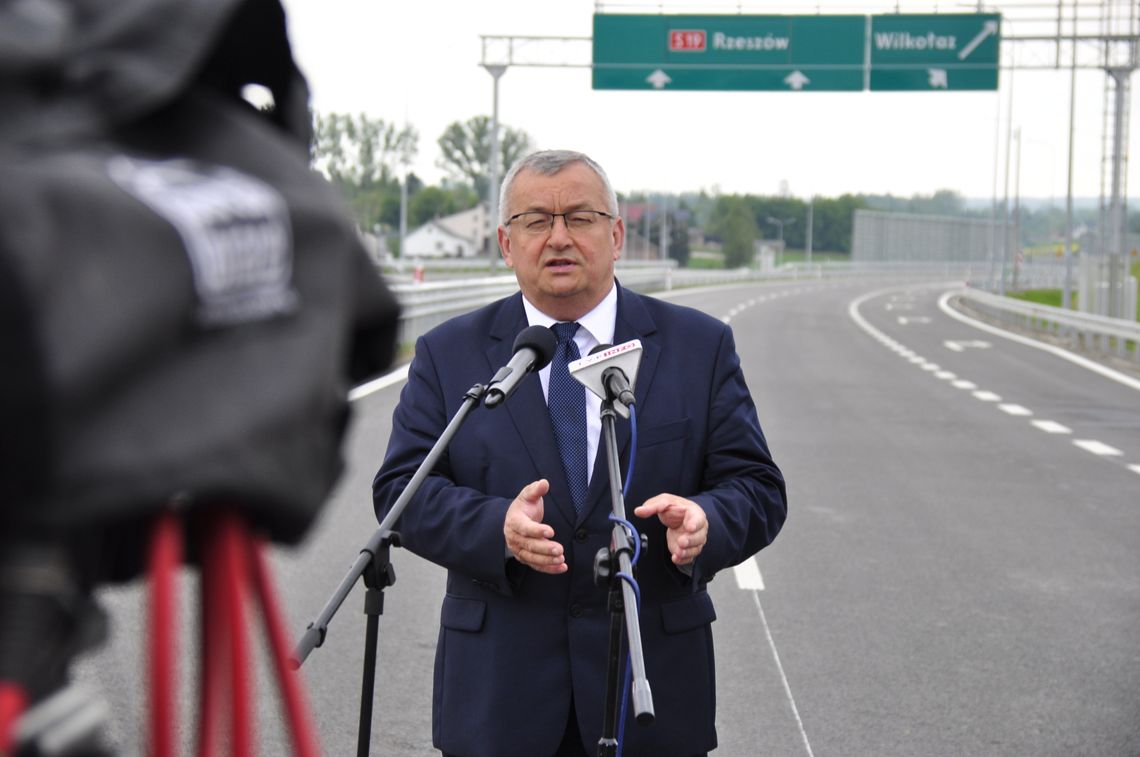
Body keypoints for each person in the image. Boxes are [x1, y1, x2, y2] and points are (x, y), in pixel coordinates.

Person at [372, 149, 786, 757]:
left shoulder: (699, 347)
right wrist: (497, 529)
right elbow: (402, 492)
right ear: (506, 244)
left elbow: (756, 486)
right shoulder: (449, 353)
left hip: (652, 696)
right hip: (499, 698)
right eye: (536, 221)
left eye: (580, 218)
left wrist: (709, 521)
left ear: (615, 235)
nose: (558, 238)